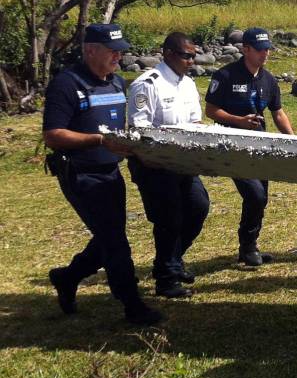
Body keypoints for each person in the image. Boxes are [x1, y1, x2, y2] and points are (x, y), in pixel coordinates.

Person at [43, 23, 162, 325]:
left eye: (121, 51)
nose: (118, 57)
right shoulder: (66, 84)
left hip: (111, 172)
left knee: (108, 237)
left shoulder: (117, 83)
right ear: (90, 50)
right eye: (112, 51)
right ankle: (132, 304)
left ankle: (67, 276)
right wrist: (97, 141)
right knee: (115, 241)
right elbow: (53, 135)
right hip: (81, 174)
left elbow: (118, 129)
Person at [127, 32, 210, 299]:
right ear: (169, 54)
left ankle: (172, 261)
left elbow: (195, 123)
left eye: (194, 56)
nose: (191, 61)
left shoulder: (187, 84)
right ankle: (165, 278)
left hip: (184, 163)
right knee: (169, 219)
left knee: (198, 208)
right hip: (155, 164)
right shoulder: (147, 84)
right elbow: (140, 131)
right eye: (187, 55)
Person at [205, 28, 294, 266]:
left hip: (260, 145)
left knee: (261, 196)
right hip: (232, 145)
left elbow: (278, 112)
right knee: (254, 194)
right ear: (246, 49)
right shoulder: (225, 76)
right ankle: (247, 246)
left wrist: (294, 140)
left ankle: (249, 246)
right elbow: (211, 111)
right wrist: (239, 121)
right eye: (260, 49)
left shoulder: (268, 79)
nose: (265, 54)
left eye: (267, 49)